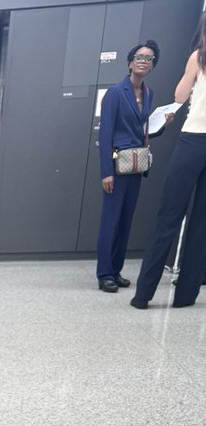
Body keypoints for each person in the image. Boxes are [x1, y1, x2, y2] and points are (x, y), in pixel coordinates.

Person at [132, 14, 206, 309]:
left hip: (193, 140)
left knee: (168, 216)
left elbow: (180, 95)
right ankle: (186, 296)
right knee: (202, 222)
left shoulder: (199, 56)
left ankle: (143, 296)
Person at [96, 41, 172, 293]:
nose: (143, 60)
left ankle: (115, 271)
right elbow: (105, 133)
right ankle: (104, 273)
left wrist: (162, 124)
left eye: (149, 58)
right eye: (139, 56)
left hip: (136, 166)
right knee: (111, 220)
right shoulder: (116, 93)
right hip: (117, 166)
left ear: (152, 66)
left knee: (125, 220)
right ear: (130, 63)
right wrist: (106, 171)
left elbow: (142, 132)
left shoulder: (148, 93)